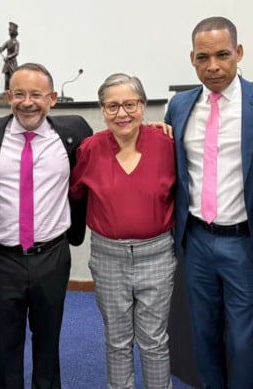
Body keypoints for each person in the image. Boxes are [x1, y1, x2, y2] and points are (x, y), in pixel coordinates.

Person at [164, 16, 253, 388]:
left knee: (245, 341)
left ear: (239, 53)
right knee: (203, 333)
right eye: (203, 57)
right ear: (192, 59)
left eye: (222, 55)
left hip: (246, 242)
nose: (212, 66)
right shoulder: (179, 105)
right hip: (196, 240)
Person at [0, 62, 93, 388]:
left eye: (36, 94)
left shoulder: (74, 131)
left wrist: (157, 128)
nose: (27, 102)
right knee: (5, 346)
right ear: (9, 97)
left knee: (48, 344)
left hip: (52, 257)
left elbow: (116, 142)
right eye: (19, 94)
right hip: (1, 260)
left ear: (52, 98)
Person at [70, 73, 177, 389]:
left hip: (157, 255)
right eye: (112, 106)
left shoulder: (166, 144)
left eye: (130, 104)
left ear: (143, 106)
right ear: (103, 110)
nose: (122, 113)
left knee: (154, 339)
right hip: (109, 257)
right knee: (117, 339)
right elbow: (75, 193)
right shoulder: (90, 149)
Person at [0, 21, 20, 91]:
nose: (9, 32)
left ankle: (13, 90)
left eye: (11, 30)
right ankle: (6, 91)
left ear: (14, 32)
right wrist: (0, 49)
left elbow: (16, 53)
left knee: (12, 77)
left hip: (12, 63)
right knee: (6, 78)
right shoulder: (7, 42)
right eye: (9, 30)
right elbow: (2, 48)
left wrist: (8, 57)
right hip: (7, 63)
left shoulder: (16, 42)